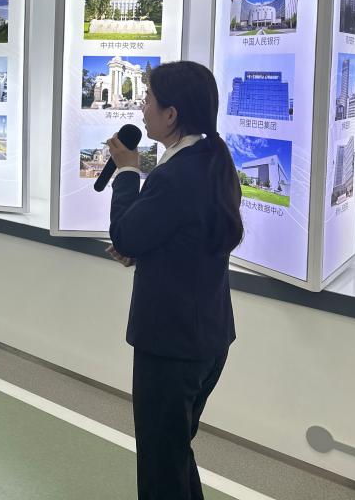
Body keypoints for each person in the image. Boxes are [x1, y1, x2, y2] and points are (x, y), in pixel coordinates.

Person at [105, 61, 243, 500]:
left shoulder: (175, 175)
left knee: (161, 465)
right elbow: (186, 240)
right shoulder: (212, 160)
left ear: (171, 114)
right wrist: (144, 249)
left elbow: (125, 234)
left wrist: (127, 171)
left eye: (148, 100)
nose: (142, 109)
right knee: (174, 452)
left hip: (171, 344)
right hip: (206, 337)